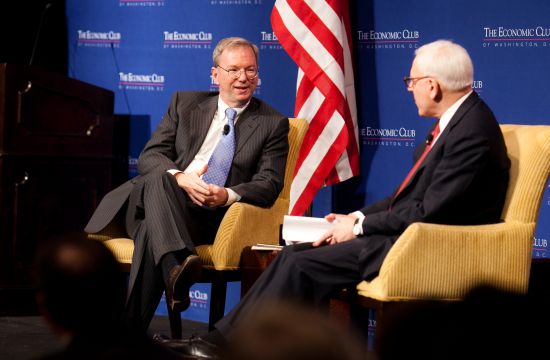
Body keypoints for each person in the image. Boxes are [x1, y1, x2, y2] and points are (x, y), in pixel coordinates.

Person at [172, 39, 511, 359]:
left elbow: (430, 209)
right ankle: (223, 342)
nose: (410, 89)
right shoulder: (458, 121)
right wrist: (354, 217)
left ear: (433, 86)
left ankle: (229, 347)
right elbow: (403, 198)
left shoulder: (471, 132)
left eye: (412, 81)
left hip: (426, 245)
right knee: (292, 256)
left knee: (302, 264)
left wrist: (361, 227)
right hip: (405, 234)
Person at [84, 37, 289, 331]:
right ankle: (177, 265)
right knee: (161, 178)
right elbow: (151, 155)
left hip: (203, 216)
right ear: (215, 74)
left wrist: (226, 195)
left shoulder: (272, 123)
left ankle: (133, 329)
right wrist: (180, 178)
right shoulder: (185, 103)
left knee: (150, 232)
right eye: (233, 70)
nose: (243, 78)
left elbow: (269, 184)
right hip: (143, 204)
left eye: (250, 70)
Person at [33, 234, 182, 359]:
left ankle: (172, 273)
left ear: (45, 308)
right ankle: (173, 274)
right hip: (132, 210)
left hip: (171, 216)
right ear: (122, 292)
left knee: (147, 230)